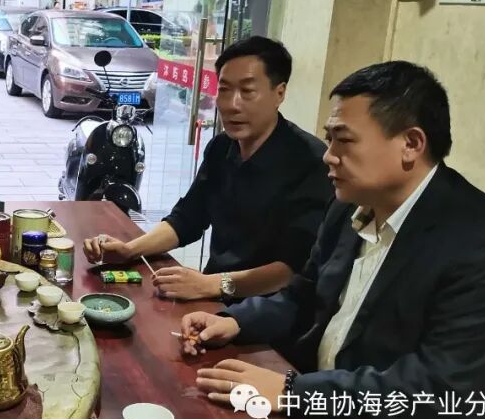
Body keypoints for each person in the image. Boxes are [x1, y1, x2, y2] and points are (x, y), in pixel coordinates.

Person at [185, 61, 485, 419]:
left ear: (411, 144)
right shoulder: (349, 206)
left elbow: (435, 386)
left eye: (344, 141)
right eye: (328, 138)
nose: (328, 156)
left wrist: (293, 392)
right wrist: (235, 320)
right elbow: (305, 295)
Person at [84, 36, 332, 302]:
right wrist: (130, 250)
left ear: (279, 93)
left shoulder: (311, 161)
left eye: (247, 91)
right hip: (214, 296)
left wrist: (212, 284)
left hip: (269, 310)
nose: (232, 104)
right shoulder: (221, 147)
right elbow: (188, 218)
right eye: (224, 90)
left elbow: (293, 268)